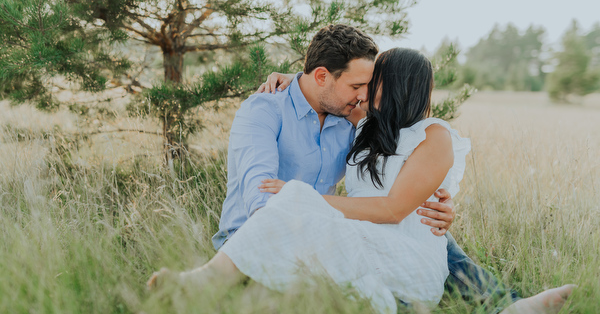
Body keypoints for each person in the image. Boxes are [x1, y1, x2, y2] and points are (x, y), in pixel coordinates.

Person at [148, 25, 575, 313]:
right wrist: (300, 208)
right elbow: (261, 194)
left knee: (426, 230)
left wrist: (435, 205)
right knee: (296, 210)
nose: (363, 95)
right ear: (320, 77)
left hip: (334, 227)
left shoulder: (353, 120)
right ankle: (211, 280)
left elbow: (394, 192)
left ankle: (506, 304)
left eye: (370, 86)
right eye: (357, 86)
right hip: (252, 233)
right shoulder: (264, 113)